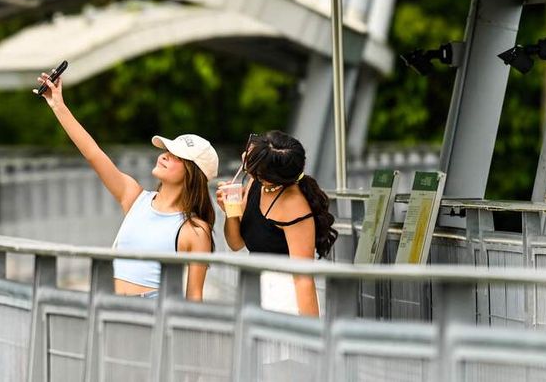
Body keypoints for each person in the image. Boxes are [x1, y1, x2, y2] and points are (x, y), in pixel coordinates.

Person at [37, 71, 218, 300]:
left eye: (175, 156)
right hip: (108, 311)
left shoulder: (195, 230)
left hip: (151, 322)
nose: (163, 156)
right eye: (165, 151)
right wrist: (58, 105)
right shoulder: (135, 197)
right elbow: (94, 154)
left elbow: (194, 297)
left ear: (192, 173)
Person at [216, 131, 337, 316]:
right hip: (254, 290)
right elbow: (236, 243)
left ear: (267, 174)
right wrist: (230, 211)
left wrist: (312, 333)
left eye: (253, 156)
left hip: (282, 299)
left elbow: (303, 278)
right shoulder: (255, 184)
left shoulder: (294, 206)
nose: (245, 154)